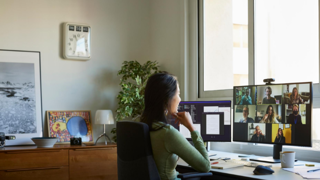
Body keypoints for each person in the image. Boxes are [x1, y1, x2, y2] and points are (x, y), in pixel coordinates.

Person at [140, 72, 210, 179]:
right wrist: (192, 127)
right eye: (178, 94)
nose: (180, 99)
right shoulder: (167, 133)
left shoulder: (140, 126)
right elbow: (205, 166)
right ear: (166, 99)